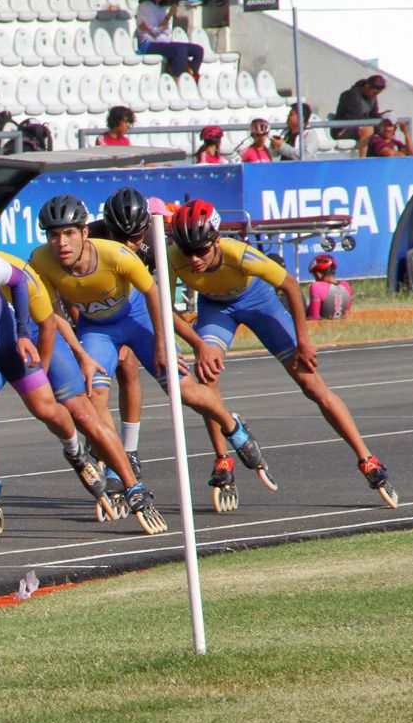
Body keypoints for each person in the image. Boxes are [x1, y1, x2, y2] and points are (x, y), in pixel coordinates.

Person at [28, 194, 274, 516]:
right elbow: (53, 312)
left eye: (69, 233)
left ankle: (233, 426)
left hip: (137, 317)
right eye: (53, 235)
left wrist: (162, 344)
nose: (61, 243)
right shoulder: (40, 259)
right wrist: (80, 353)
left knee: (183, 391)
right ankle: (117, 468)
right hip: (97, 328)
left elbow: (154, 294)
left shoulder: (117, 254)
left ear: (84, 232)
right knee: (95, 396)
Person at [167, 199, 395, 506]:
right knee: (206, 375)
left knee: (311, 384)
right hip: (216, 308)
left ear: (216, 240)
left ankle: (367, 459)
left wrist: (304, 340)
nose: (194, 259)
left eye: (201, 250)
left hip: (258, 302)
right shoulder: (172, 257)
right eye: (187, 251)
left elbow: (289, 285)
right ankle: (223, 459)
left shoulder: (238, 254)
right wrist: (199, 345)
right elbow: (164, 307)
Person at [0, 209, 149, 526]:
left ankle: (131, 484)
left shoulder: (11, 270)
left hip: (36, 335)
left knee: (80, 411)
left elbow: (50, 323)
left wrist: (74, 357)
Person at [135, 0, 202, 79]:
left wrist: (164, 23)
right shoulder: (145, 6)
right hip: (149, 44)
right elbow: (155, 32)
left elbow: (166, 30)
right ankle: (176, 79)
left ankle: (191, 75)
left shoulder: (161, 8)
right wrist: (169, 16)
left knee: (198, 50)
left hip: (165, 42)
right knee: (180, 50)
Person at [331, 75, 385, 155]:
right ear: (367, 86)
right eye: (374, 92)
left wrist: (383, 120)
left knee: (387, 127)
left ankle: (386, 155)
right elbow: (356, 117)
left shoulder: (372, 98)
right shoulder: (351, 95)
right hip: (343, 129)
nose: (375, 95)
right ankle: (362, 159)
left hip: (358, 127)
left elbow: (374, 115)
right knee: (367, 129)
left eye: (377, 94)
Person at [306, 254, 353, 320]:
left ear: (318, 274)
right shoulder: (346, 286)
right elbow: (346, 315)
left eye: (314, 276)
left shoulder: (316, 286)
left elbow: (314, 317)